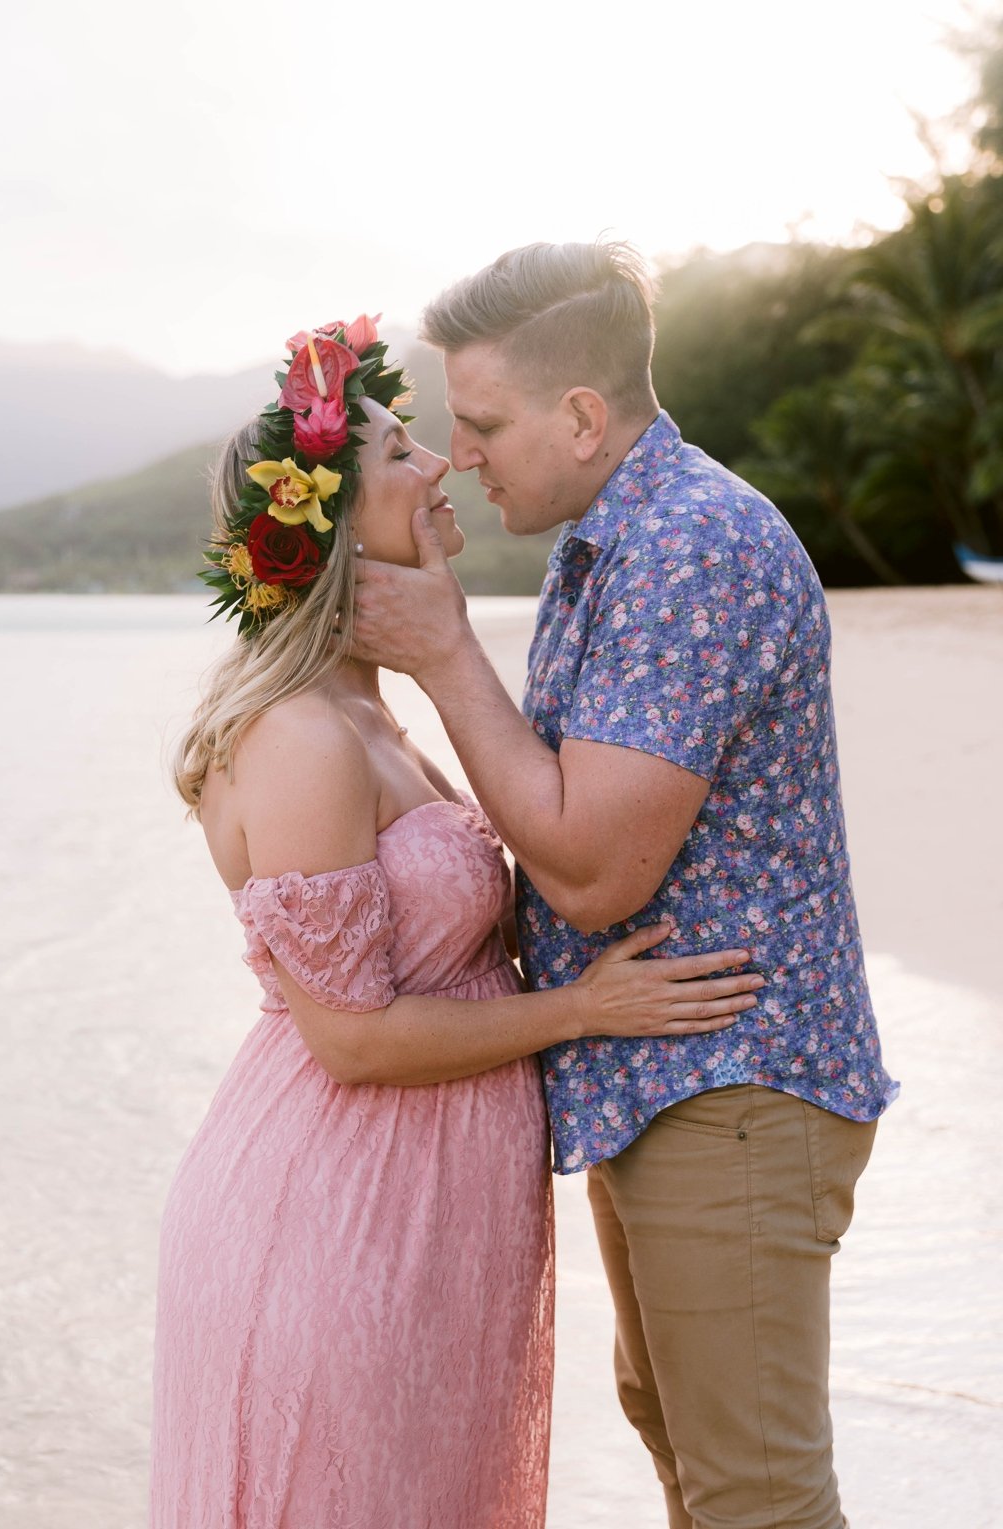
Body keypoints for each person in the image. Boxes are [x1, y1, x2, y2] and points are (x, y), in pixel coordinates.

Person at [151, 320, 766, 1527]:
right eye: (398, 455)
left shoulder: (373, 716)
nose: (438, 465)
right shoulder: (301, 736)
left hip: (432, 1214)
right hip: (337, 1215)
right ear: (324, 524)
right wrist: (586, 1008)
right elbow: (352, 1039)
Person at [351, 243, 899, 1529]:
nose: (462, 455)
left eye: (481, 423)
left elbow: (592, 867)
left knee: (754, 1492)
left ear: (582, 415)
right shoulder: (613, 541)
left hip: (734, 1076)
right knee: (686, 1448)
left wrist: (441, 653)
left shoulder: (686, 548)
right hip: (667, 1067)